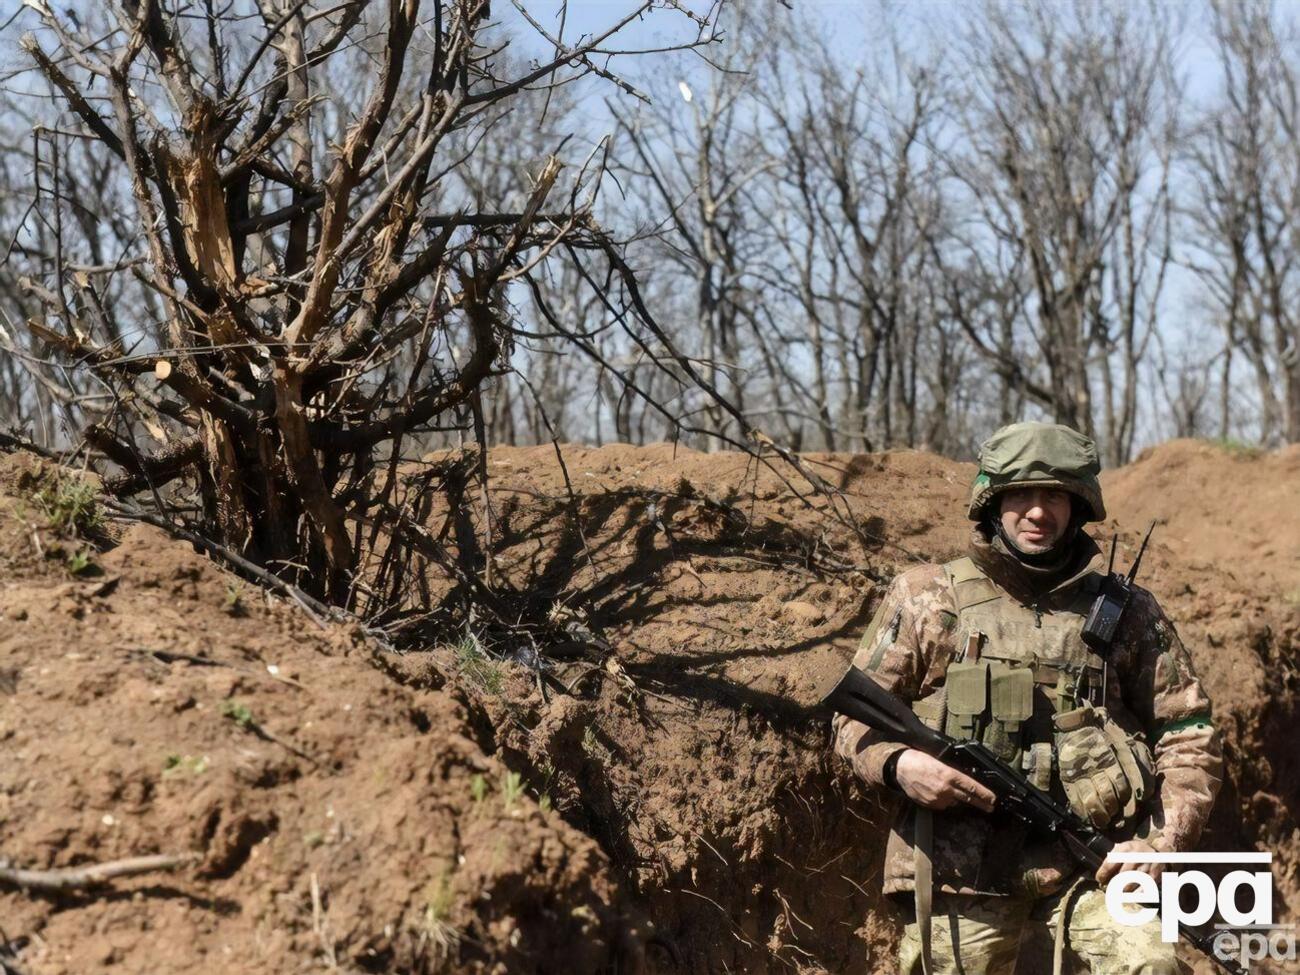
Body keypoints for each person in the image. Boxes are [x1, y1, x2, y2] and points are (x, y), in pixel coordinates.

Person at [832, 422, 1223, 975]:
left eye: (1056, 495)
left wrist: (1158, 843)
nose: (1038, 512)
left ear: (1078, 506)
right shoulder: (928, 597)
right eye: (1021, 494)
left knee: (1151, 964)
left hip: (1092, 870)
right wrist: (899, 763)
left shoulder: (1127, 613)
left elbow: (1188, 733)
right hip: (961, 875)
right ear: (993, 501)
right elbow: (853, 719)